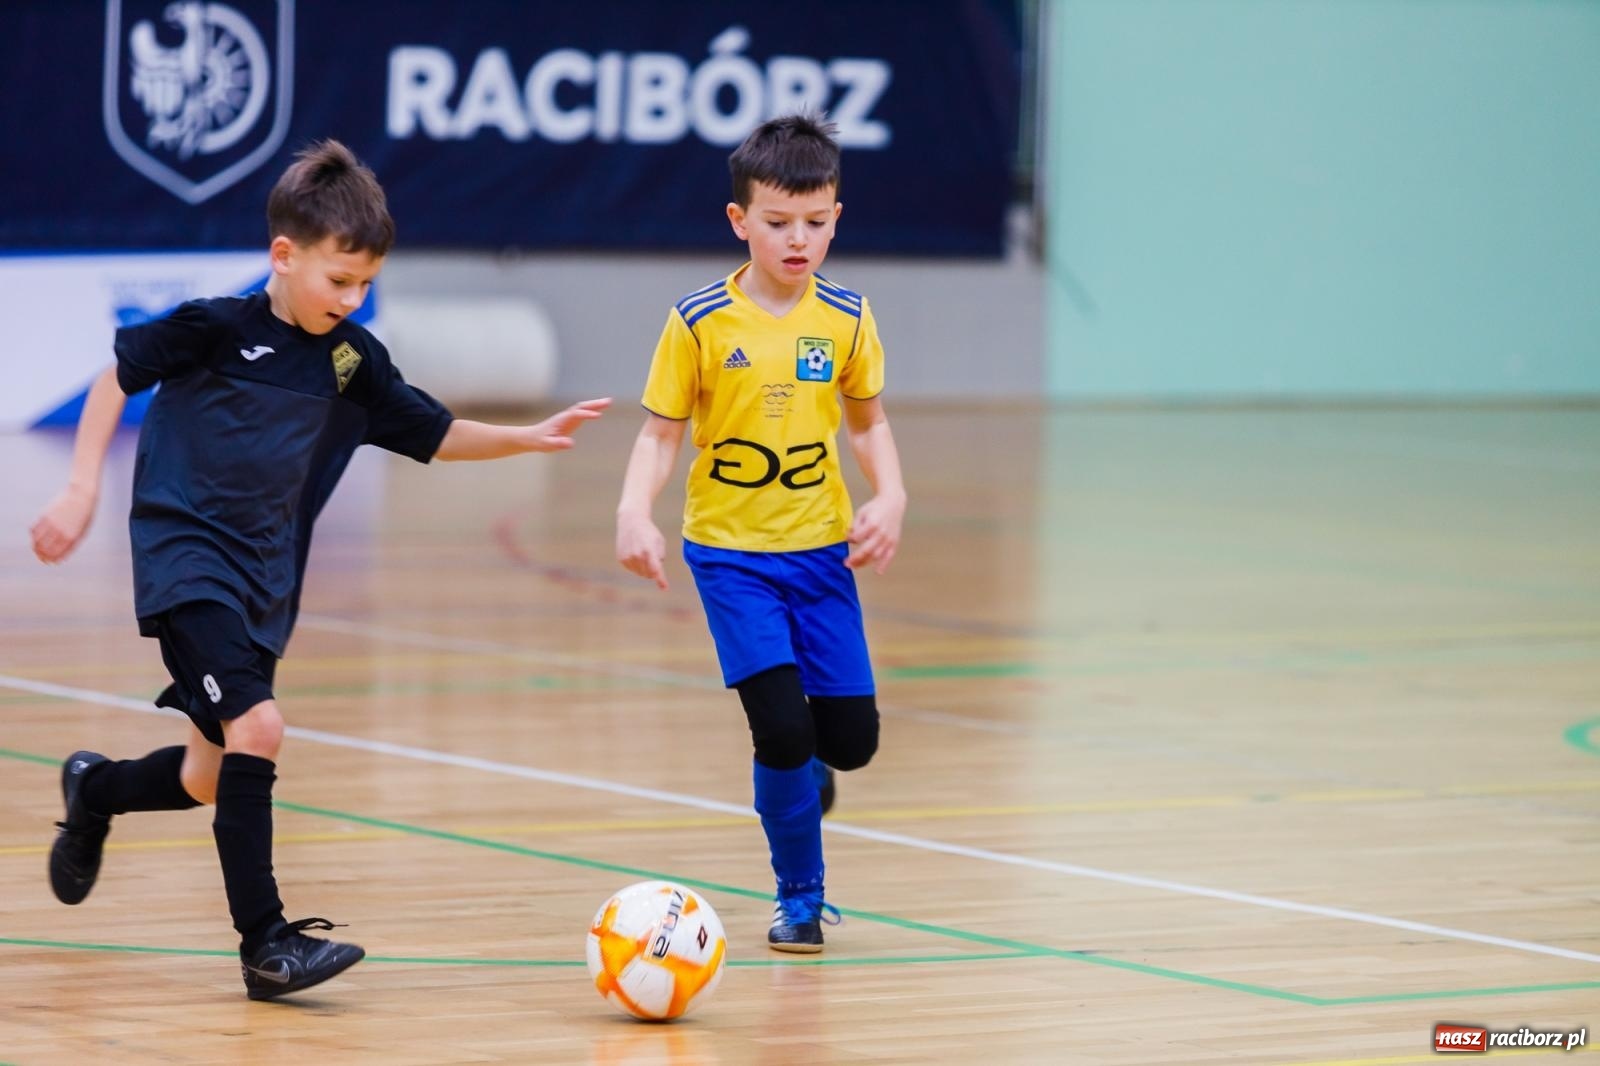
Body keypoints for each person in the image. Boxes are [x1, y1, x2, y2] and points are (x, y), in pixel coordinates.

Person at [29, 140, 610, 1000]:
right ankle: (267, 945)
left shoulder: (350, 361)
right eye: (339, 280)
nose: (353, 298)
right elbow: (115, 378)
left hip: (267, 582)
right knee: (259, 730)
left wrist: (525, 435)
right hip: (187, 562)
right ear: (284, 256)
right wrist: (81, 489)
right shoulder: (215, 330)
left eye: (366, 283)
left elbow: (431, 430)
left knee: (205, 774)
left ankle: (97, 791)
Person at [615, 113, 906, 953]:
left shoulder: (848, 318)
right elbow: (660, 433)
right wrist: (636, 510)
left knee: (847, 746)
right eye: (778, 223)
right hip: (731, 555)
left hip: (821, 554)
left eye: (816, 223)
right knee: (779, 727)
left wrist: (890, 497)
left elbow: (867, 424)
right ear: (740, 220)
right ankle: (801, 899)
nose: (798, 239)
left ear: (836, 218)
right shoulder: (700, 321)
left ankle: (808, 770)